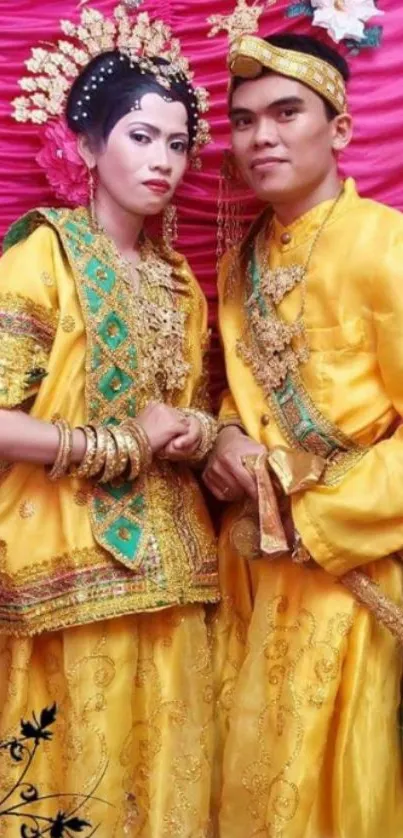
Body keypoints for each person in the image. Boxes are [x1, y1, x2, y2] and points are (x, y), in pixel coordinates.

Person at [0, 6, 219, 836]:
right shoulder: (43, 256)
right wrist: (114, 444)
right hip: (68, 572)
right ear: (86, 148)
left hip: (176, 579)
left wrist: (200, 435)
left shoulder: (178, 280)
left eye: (176, 142)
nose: (161, 159)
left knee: (167, 793)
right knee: (73, 796)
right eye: (138, 136)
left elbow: (194, 411)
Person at [204, 32, 403, 838]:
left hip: (353, 574)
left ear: (342, 129)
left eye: (286, 113)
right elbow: (233, 394)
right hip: (250, 573)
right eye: (245, 121)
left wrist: (317, 514)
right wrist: (221, 440)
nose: (262, 138)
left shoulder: (386, 247)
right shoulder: (233, 264)